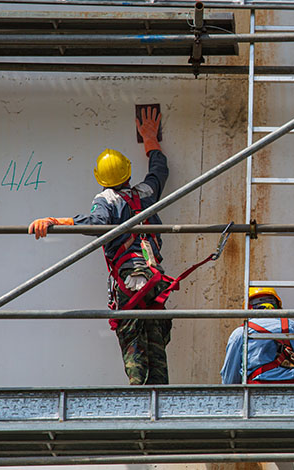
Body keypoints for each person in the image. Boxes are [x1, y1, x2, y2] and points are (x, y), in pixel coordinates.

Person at [28, 108, 173, 385]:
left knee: (134, 348)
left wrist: (53, 220)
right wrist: (150, 137)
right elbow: (159, 168)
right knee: (156, 348)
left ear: (99, 177)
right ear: (128, 173)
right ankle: (160, 402)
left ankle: (140, 403)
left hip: (130, 283)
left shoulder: (106, 199)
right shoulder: (145, 193)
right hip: (155, 281)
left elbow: (95, 224)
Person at [221, 287, 294, 384]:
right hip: (293, 388)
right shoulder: (291, 326)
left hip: (255, 391)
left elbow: (229, 377)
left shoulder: (241, 333)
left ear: (247, 309)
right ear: (277, 306)